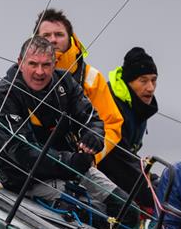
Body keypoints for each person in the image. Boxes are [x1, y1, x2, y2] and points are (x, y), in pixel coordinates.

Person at [0, 36, 132, 224]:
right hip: (27, 179)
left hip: (71, 168)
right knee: (96, 216)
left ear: (55, 63)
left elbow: (92, 119)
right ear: (20, 63)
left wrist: (93, 136)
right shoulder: (6, 95)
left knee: (127, 210)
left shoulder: (65, 82)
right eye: (33, 64)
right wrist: (69, 161)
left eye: (46, 65)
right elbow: (22, 152)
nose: (39, 72)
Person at [34, 9, 124, 165]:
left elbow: (111, 124)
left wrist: (92, 154)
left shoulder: (92, 78)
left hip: (77, 164)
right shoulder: (22, 74)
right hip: (31, 159)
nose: (53, 40)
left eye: (59, 34)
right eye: (46, 36)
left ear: (70, 38)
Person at [99, 47, 159, 209]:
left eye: (153, 80)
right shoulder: (112, 103)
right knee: (153, 199)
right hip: (96, 171)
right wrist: (152, 187)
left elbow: (128, 155)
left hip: (118, 169)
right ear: (128, 82)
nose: (150, 88)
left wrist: (152, 178)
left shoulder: (137, 105)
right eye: (143, 80)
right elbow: (117, 159)